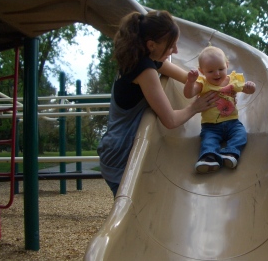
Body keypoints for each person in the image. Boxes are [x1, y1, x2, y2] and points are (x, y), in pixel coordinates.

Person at [97, 10, 217, 197]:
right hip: (120, 154)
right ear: (152, 45)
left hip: (116, 146)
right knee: (132, 212)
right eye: (171, 47)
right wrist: (195, 107)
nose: (175, 52)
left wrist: (214, 80)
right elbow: (170, 119)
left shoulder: (147, 59)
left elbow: (187, 77)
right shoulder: (144, 70)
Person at [184, 46, 256, 174]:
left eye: (221, 69)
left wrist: (250, 87)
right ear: (202, 71)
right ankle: (209, 158)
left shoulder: (232, 80)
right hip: (211, 126)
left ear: (227, 65)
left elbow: (246, 89)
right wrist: (190, 82)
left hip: (232, 122)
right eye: (210, 71)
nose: (217, 73)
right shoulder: (202, 84)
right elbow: (189, 94)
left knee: (241, 135)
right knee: (208, 140)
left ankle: (230, 153)